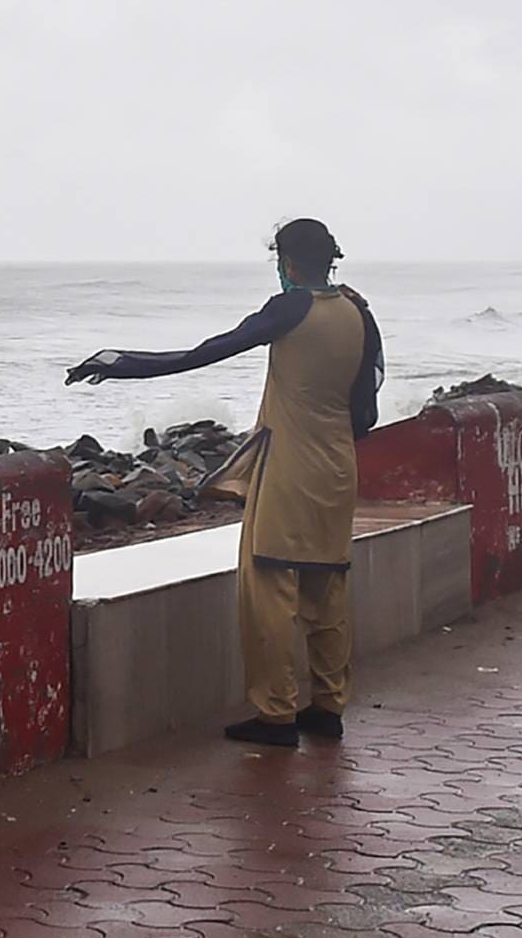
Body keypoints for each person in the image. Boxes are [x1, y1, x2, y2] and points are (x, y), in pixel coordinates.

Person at [67, 219, 384, 748]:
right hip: (337, 467)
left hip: (289, 469)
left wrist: (123, 364)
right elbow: (365, 407)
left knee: (270, 588)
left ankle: (277, 713)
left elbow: (205, 352)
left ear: (286, 262)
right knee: (327, 586)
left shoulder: (290, 308)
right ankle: (328, 706)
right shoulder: (357, 311)